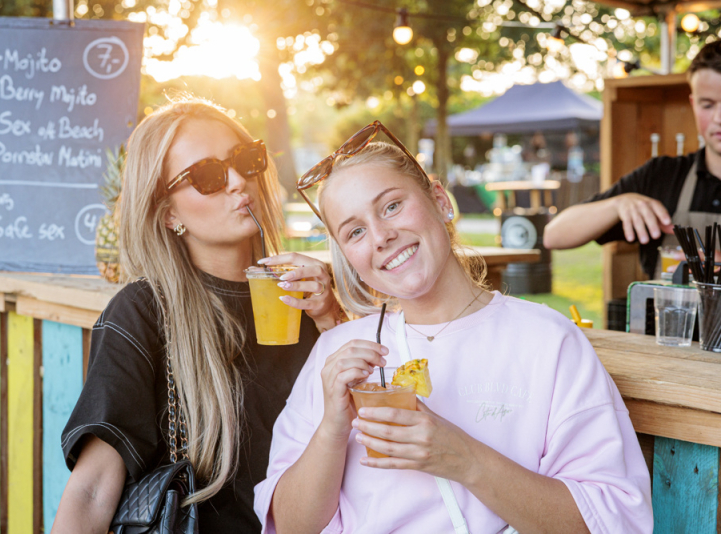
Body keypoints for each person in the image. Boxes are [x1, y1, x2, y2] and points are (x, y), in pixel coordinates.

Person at [254, 126, 652, 533]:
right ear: (348, 256)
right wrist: (332, 430)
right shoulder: (336, 353)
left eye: (391, 206)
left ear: (441, 201)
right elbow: (288, 525)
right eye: (354, 231)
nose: (381, 236)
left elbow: (610, 522)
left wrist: (462, 458)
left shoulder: (549, 342)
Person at [52, 97, 342, 533]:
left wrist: (332, 318)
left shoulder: (312, 295)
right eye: (206, 176)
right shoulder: (144, 313)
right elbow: (93, 489)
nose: (238, 182)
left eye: (245, 160)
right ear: (168, 213)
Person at [543, 41, 721, 279]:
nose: (719, 117)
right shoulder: (662, 175)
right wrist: (617, 204)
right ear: (693, 104)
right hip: (664, 317)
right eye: (707, 104)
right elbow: (554, 235)